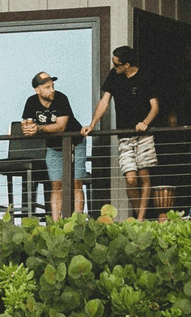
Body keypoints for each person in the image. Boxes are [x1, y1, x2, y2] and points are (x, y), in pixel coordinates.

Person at [85, 46, 159, 219]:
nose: (114, 66)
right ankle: (138, 216)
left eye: (116, 64)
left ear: (127, 65)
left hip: (143, 135)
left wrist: (145, 123)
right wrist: (92, 124)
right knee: (131, 179)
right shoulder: (114, 75)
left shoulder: (145, 76)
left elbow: (155, 107)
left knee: (144, 176)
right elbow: (104, 101)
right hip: (124, 136)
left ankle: (140, 220)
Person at [22, 71, 85, 219]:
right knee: (56, 185)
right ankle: (56, 224)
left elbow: (61, 126)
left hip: (75, 142)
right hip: (54, 146)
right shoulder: (31, 101)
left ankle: (78, 222)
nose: (52, 90)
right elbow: (25, 122)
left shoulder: (61, 98)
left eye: (52, 86)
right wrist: (28, 127)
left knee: (76, 183)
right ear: (37, 90)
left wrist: (38, 128)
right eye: (47, 87)